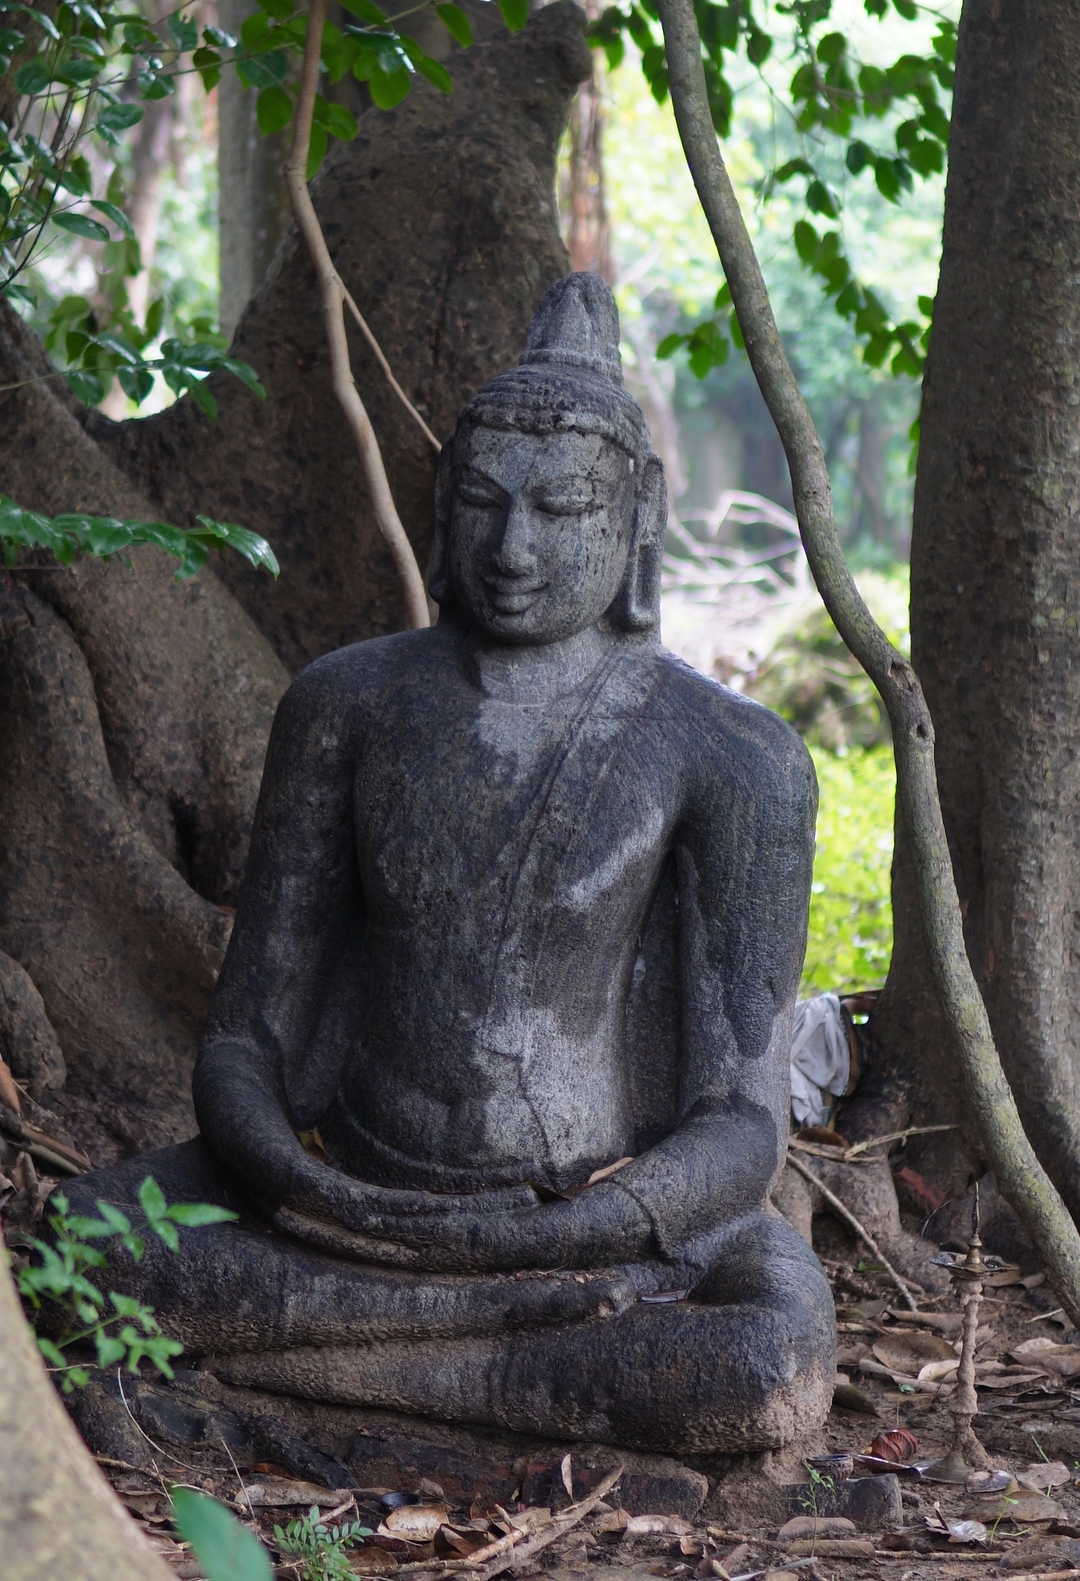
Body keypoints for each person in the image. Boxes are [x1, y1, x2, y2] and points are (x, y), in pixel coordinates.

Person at [66, 273, 834, 1455]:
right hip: (348, 1209)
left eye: (563, 509)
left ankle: (313, 1385)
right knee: (78, 1250)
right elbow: (246, 1035)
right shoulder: (346, 706)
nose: (514, 547)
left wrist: (587, 1225)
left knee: (763, 1360)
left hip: (590, 1238)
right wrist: (292, 1177)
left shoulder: (732, 757)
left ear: (639, 519)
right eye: (481, 503)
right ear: (442, 510)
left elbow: (740, 1125)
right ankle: (477, 1387)